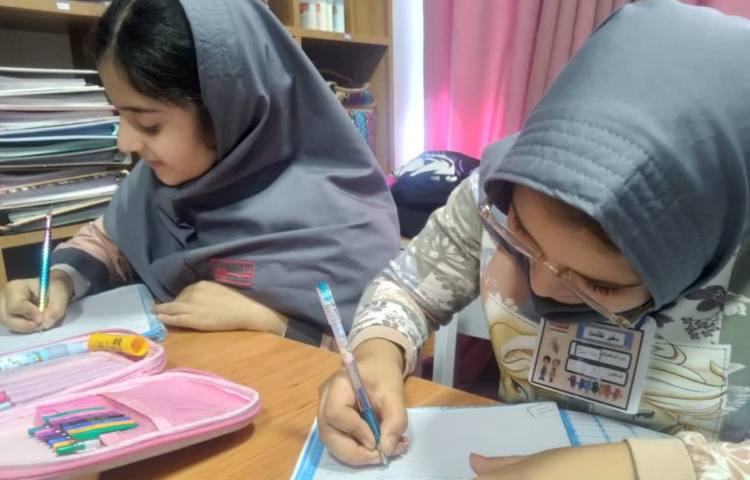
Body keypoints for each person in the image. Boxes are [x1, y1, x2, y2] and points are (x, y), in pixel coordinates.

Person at [316, 1, 750, 478]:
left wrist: (636, 467)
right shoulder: (500, 190)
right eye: (521, 236)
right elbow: (407, 289)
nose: (538, 287)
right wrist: (378, 353)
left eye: (599, 286)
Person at [0, 0, 400, 345]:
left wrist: (272, 323)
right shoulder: (157, 183)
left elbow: (383, 358)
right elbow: (109, 239)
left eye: (148, 124)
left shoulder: (345, 220)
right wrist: (62, 279)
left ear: (229, 109)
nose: (124, 142)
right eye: (118, 113)